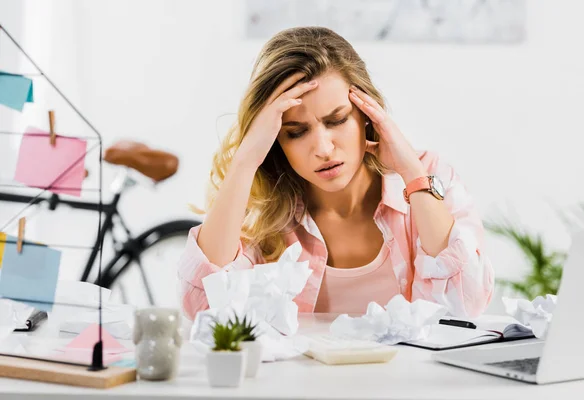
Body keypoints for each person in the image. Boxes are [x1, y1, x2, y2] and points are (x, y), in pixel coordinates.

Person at [178, 26, 494, 320]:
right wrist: (245, 161)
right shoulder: (262, 210)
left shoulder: (429, 176)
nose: (323, 149)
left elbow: (465, 306)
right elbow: (206, 311)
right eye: (296, 132)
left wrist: (413, 172)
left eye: (337, 120)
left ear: (366, 114)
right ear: (276, 140)